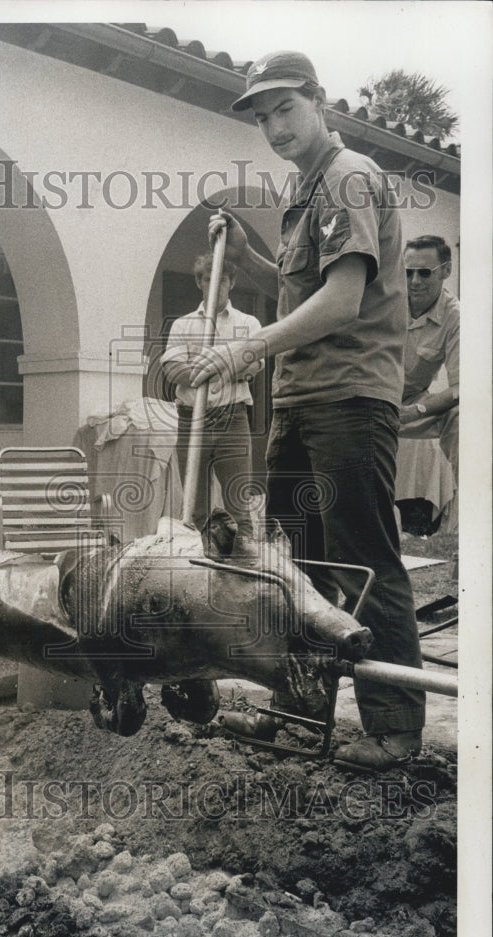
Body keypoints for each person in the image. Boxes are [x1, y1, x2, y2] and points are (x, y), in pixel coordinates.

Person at [195, 50, 424, 771]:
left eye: (283, 109)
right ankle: (300, 713)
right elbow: (299, 292)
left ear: (318, 101)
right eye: (260, 117)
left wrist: (246, 349)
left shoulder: (349, 177)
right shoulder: (305, 190)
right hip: (297, 402)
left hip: (349, 399)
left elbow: (343, 299)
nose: (272, 126)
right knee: (300, 568)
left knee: (362, 561)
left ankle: (391, 728)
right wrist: (248, 255)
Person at [161, 253, 261, 541]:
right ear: (199, 282)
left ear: (231, 283)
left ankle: (244, 571)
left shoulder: (247, 323)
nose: (215, 284)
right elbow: (172, 370)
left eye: (222, 279)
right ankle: (207, 572)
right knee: (197, 510)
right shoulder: (183, 325)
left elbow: (254, 364)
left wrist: (206, 365)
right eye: (208, 279)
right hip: (192, 421)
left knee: (239, 507)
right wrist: (229, 365)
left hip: (233, 419)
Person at [398, 235, 459, 488]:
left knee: (463, 416)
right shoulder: (385, 299)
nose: (414, 282)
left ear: (446, 271)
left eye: (424, 273)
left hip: (412, 402)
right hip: (370, 395)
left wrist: (414, 411)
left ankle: (472, 510)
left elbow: (460, 388)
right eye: (408, 272)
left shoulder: (456, 317)